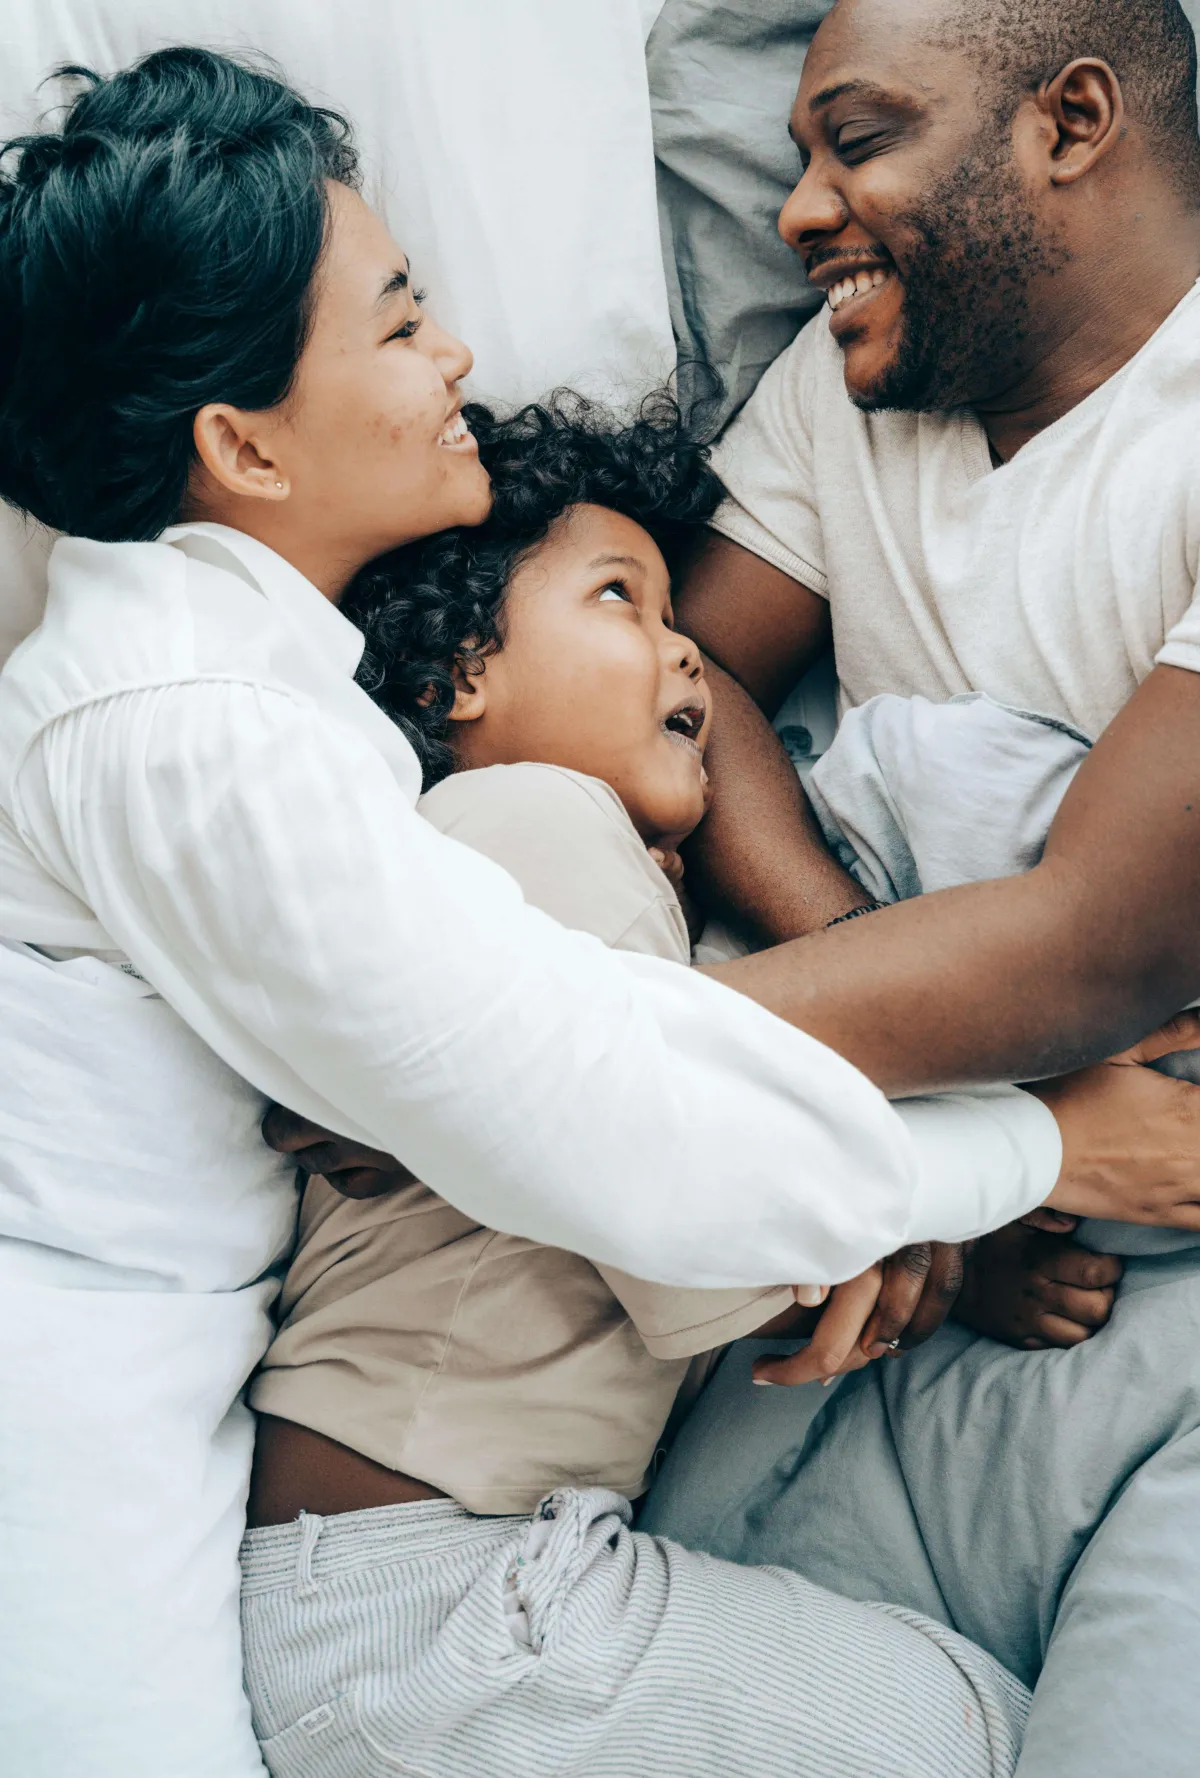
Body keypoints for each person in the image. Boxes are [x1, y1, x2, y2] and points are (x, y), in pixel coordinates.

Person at [3, 45, 1157, 1777]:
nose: (456, 349)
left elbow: (559, 1067)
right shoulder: (186, 738)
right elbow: (605, 1119)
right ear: (240, 442)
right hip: (153, 1602)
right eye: (397, 324)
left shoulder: (275, 714)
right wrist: (1039, 1153)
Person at [238, 396, 1043, 1778]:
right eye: (621, 598)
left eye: (676, 608)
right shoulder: (528, 819)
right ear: (454, 678)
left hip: (420, 1596)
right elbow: (695, 1244)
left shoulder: (545, 876)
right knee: (966, 1727)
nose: (683, 646)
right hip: (435, 1602)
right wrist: (1031, 1157)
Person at [629, 3, 1200, 1773]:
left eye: (857, 141)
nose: (800, 212)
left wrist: (551, 1058)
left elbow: (1093, 944)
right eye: (798, 154)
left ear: (1073, 118)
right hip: (943, 1223)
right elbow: (680, 676)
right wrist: (893, 1001)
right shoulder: (849, 381)